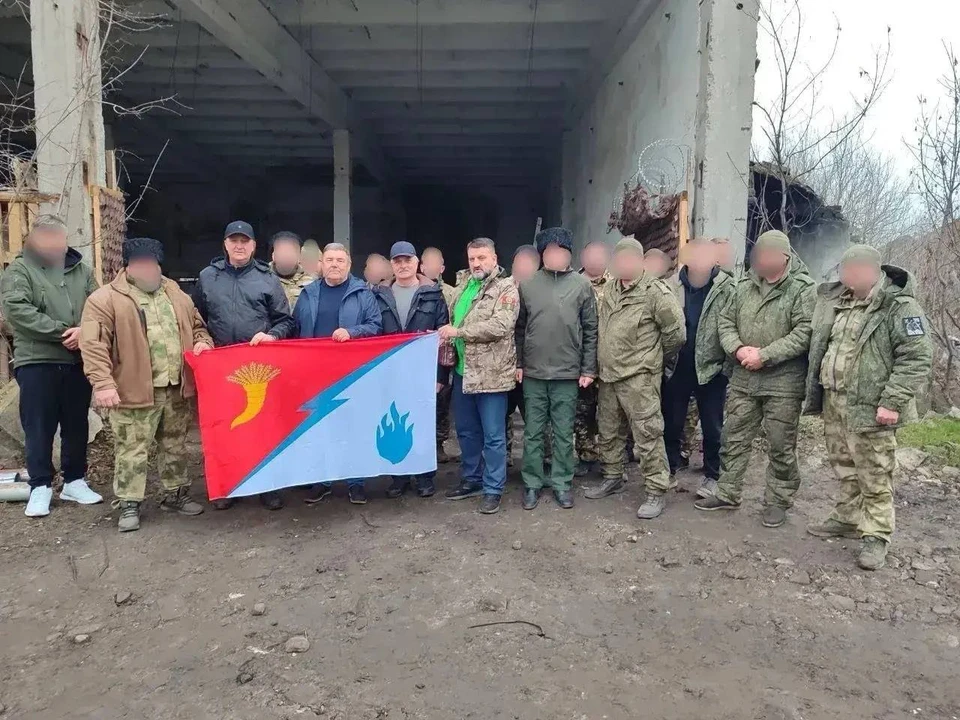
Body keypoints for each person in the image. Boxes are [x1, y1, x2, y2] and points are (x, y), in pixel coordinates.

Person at [803, 245, 931, 570]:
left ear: (875, 270)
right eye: (845, 269)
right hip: (835, 399)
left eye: (856, 269)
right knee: (843, 464)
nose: (849, 275)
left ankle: (876, 535)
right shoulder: (838, 302)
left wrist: (892, 401)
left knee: (875, 471)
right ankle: (847, 517)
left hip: (873, 405)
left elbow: (916, 358)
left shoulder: (899, 306)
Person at [80, 238, 213, 532]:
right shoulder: (105, 299)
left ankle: (175, 494)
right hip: (132, 390)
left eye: (153, 264)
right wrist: (103, 384)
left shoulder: (177, 294)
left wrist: (203, 343)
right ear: (127, 266)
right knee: (132, 449)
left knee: (175, 445)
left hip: (175, 387)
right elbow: (92, 344)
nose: (149, 270)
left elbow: (197, 327)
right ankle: (129, 504)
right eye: (141, 264)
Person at [694, 230, 816, 528]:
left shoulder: (803, 289)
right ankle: (728, 491)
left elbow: (805, 332)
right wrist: (737, 348)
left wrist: (766, 354)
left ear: (784, 257)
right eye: (757, 255)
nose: (759, 261)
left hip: (783, 383)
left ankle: (777, 501)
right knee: (733, 437)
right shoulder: (744, 285)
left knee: (780, 445)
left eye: (766, 256)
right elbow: (725, 321)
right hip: (744, 378)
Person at [0, 215, 102, 518]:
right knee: (39, 426)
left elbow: (99, 305)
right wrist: (62, 332)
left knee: (76, 424)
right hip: (37, 360)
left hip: (76, 359)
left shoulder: (82, 270)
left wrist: (85, 331)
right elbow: (18, 311)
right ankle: (41, 486)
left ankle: (74, 480)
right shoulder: (20, 270)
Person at [192, 220, 296, 511]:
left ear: (253, 246)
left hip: (258, 367)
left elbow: (285, 320)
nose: (239, 246)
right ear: (225, 244)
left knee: (264, 427)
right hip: (221, 367)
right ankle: (228, 485)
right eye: (233, 241)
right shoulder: (207, 277)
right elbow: (194, 319)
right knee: (225, 428)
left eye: (245, 241)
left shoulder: (267, 278)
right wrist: (201, 340)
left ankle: (268, 486)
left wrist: (272, 335)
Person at [585, 238, 685, 520]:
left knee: (648, 434)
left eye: (630, 260)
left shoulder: (656, 292)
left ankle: (656, 489)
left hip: (639, 378)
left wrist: (651, 360)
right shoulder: (609, 289)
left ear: (641, 262)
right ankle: (613, 475)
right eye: (619, 260)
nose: (624, 265)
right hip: (609, 376)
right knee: (608, 430)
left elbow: (676, 334)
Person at [515, 228, 597, 510]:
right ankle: (532, 483)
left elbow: (590, 329)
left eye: (561, 251)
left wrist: (588, 368)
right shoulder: (527, 286)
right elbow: (520, 329)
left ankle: (562, 483)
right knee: (533, 432)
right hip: (534, 374)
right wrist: (519, 364)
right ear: (542, 255)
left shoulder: (582, 286)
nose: (555, 256)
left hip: (567, 373)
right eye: (549, 251)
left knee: (564, 433)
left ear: (569, 255)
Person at [294, 242, 382, 505]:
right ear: (321, 263)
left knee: (353, 428)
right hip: (315, 373)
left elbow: (375, 326)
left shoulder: (362, 294)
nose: (334, 264)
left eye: (340, 260)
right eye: (329, 259)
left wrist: (352, 332)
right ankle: (323, 481)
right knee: (319, 429)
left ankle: (356, 482)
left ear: (349, 265)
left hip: (351, 374)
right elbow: (295, 327)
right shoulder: (308, 293)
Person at [438, 238, 519, 515]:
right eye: (472, 258)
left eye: (482, 257)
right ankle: (472, 479)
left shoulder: (506, 288)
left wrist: (458, 333)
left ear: (494, 258)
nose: (476, 263)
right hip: (463, 372)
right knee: (467, 431)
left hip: (492, 375)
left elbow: (501, 325)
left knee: (494, 435)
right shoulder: (463, 287)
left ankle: (493, 488)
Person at [372, 241, 450, 499]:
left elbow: (442, 337)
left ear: (417, 263)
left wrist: (440, 376)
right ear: (392, 265)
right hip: (391, 372)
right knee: (394, 423)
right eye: (398, 261)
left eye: (407, 260)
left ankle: (425, 477)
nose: (403, 265)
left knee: (423, 425)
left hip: (423, 373)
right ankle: (399, 477)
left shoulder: (432, 293)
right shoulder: (379, 294)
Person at [662, 238, 734, 498]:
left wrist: (727, 363)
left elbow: (733, 325)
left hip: (712, 368)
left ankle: (712, 475)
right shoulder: (671, 286)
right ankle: (668, 470)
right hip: (678, 365)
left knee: (713, 425)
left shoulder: (727, 288)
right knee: (672, 422)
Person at [575, 240, 611, 476]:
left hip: (609, 362)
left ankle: (611, 462)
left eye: (600, 256)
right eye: (591, 255)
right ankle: (586, 455)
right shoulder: (573, 284)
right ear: (582, 258)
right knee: (581, 412)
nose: (595, 260)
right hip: (579, 362)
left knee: (610, 415)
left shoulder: (618, 285)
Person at [505, 244, 542, 466]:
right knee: (500, 416)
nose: (523, 269)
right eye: (519, 264)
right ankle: (504, 457)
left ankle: (536, 464)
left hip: (532, 367)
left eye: (528, 265)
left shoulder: (542, 292)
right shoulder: (500, 288)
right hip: (503, 366)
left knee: (535, 418)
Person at [420, 245, 457, 463]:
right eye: (427, 263)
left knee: (442, 402)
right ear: (421, 266)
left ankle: (439, 443)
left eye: (436, 263)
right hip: (418, 358)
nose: (432, 267)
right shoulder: (415, 290)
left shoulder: (453, 292)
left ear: (442, 268)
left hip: (443, 355)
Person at [270, 231, 313, 310]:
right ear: (273, 256)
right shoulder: (261, 279)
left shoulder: (312, 282)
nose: (286, 257)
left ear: (299, 257)